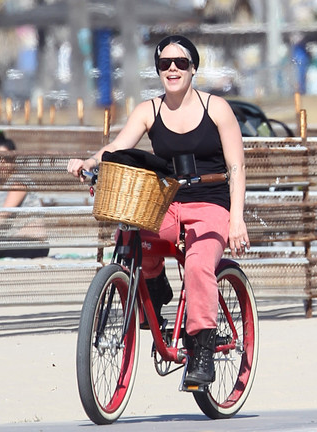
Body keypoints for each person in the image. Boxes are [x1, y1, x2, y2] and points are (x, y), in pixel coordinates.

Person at [67, 35, 250, 386]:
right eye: (165, 63)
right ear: (158, 70)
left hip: (211, 202)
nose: (172, 69)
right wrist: (89, 162)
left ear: (193, 68)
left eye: (180, 63)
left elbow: (237, 167)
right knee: (134, 233)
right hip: (166, 201)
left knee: (198, 265)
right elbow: (118, 147)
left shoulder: (217, 108)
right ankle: (155, 285)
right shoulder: (148, 110)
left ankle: (202, 351)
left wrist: (237, 218)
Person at [0, 131, 49, 261]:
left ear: (13, 158)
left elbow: (5, 212)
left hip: (30, 241)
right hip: (3, 240)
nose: (2, 162)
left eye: (7, 158)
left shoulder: (19, 181)